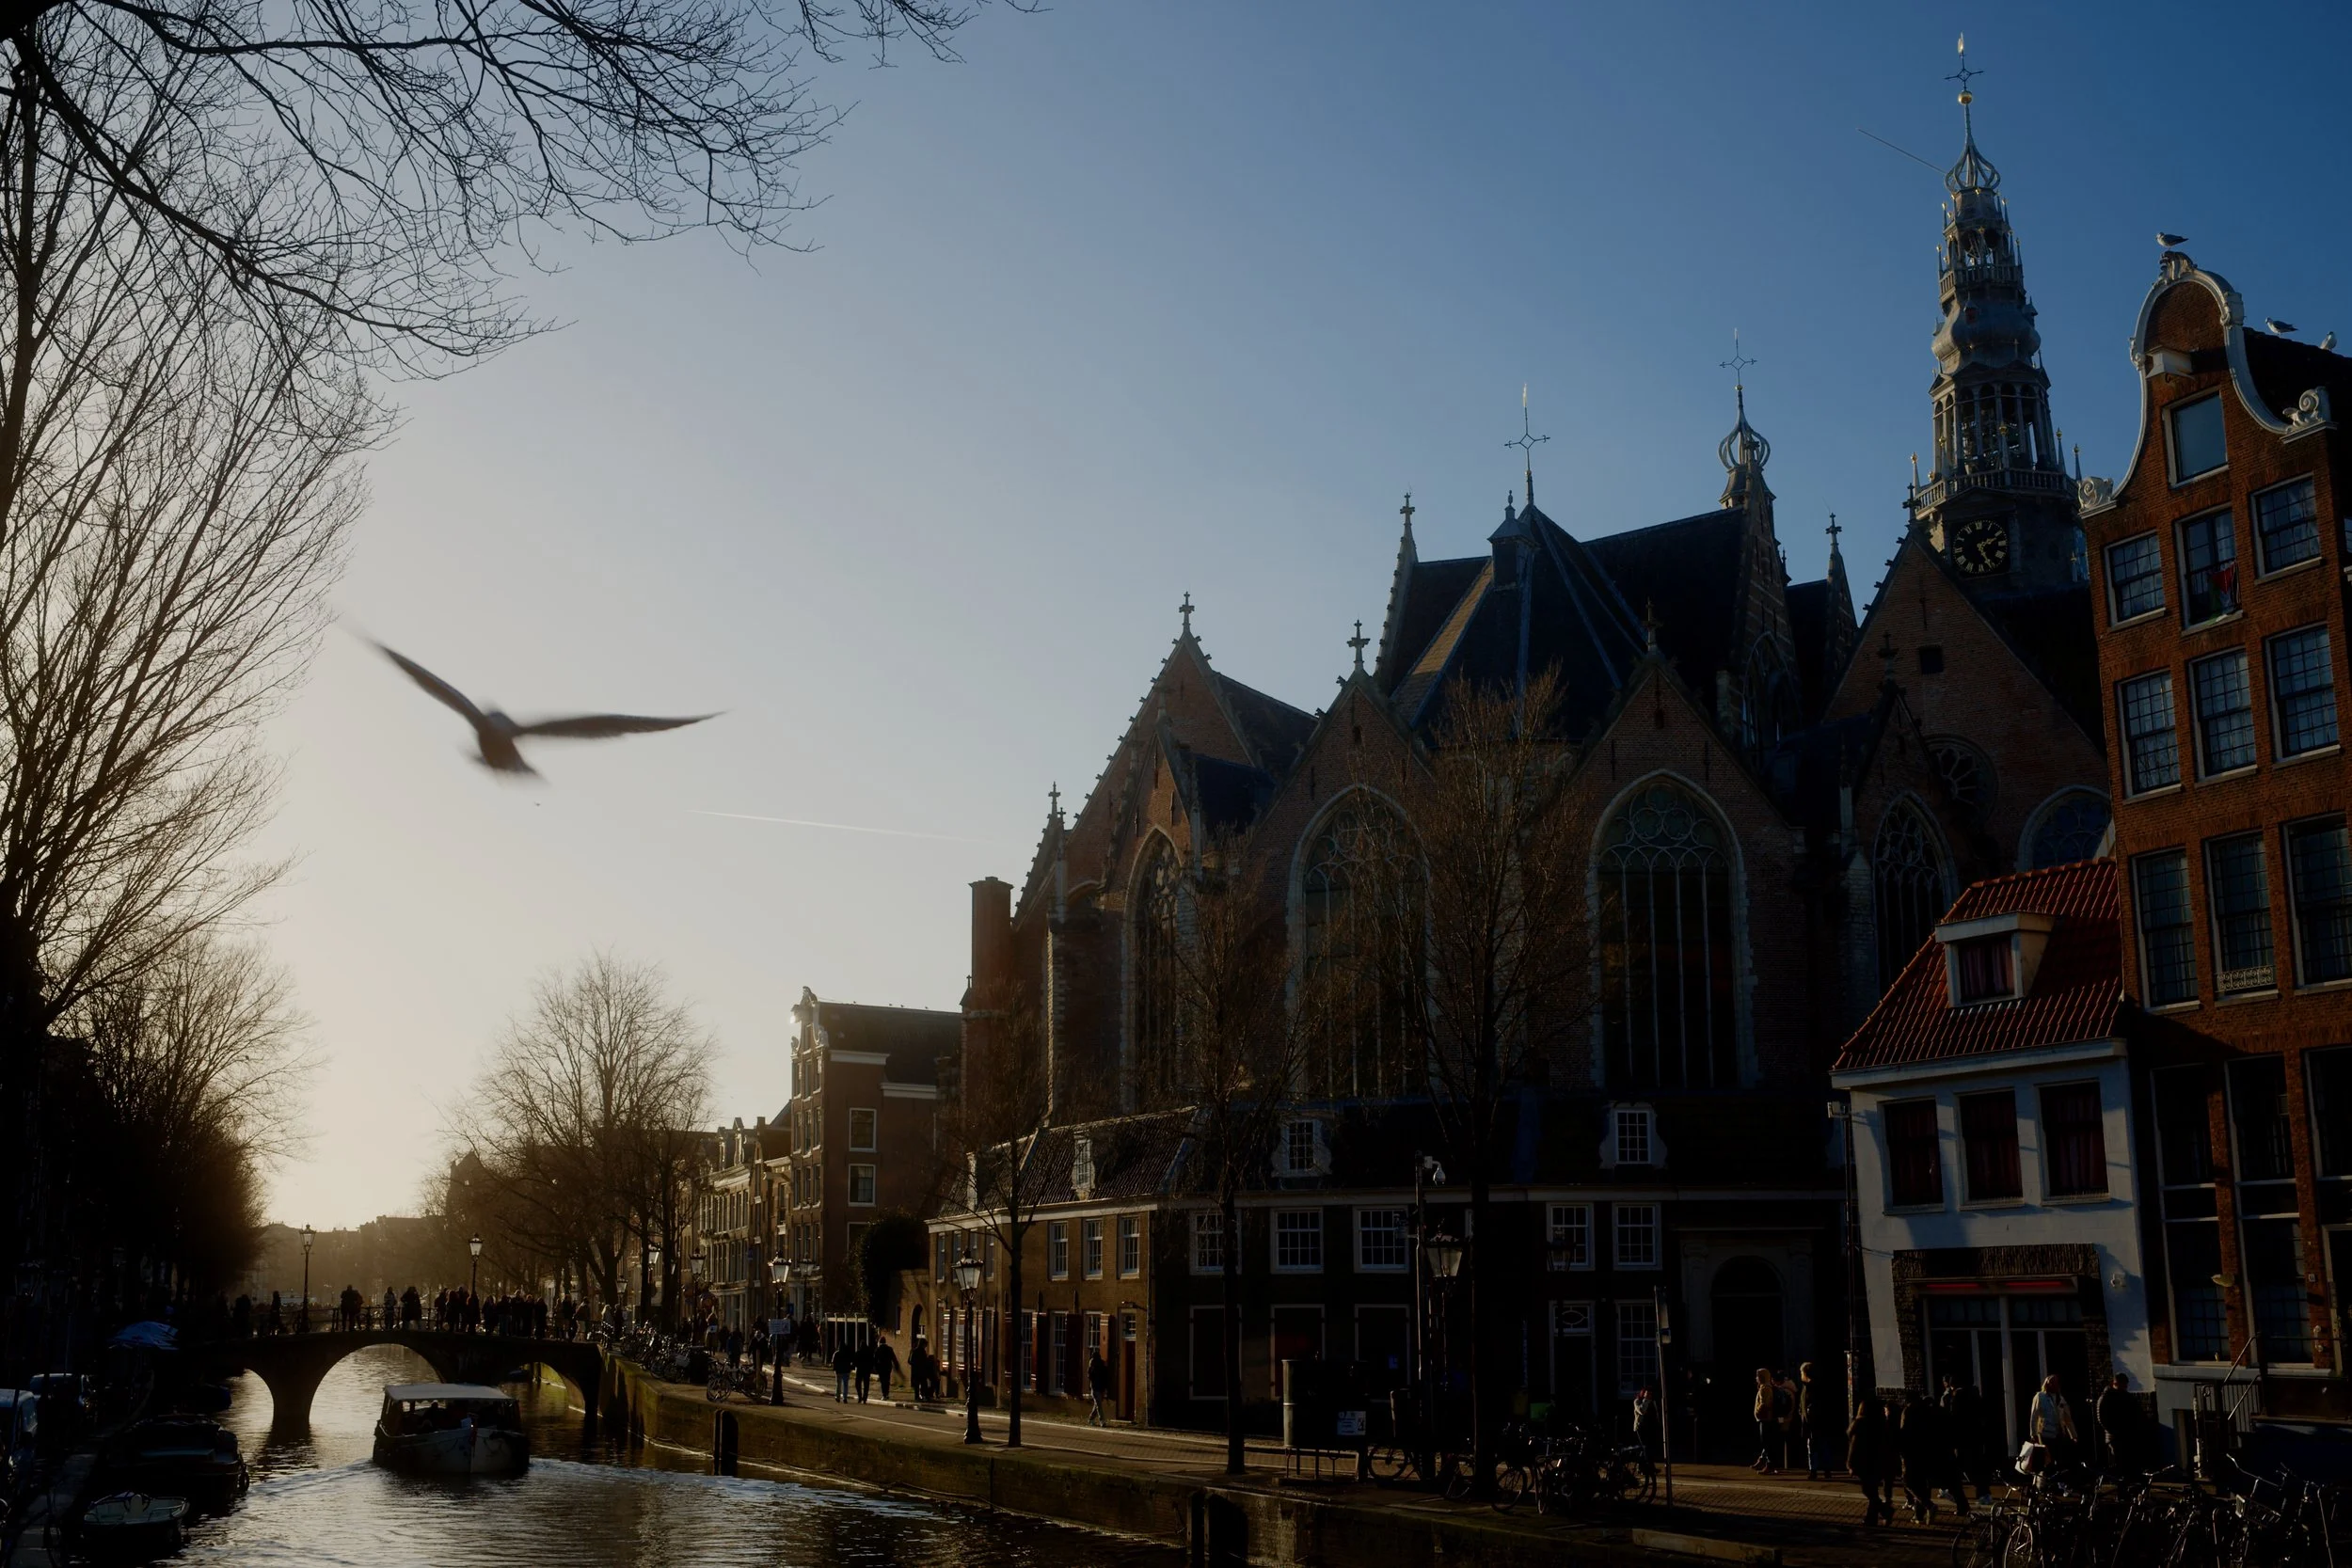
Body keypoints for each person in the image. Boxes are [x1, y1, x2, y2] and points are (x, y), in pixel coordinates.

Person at [1897, 1393, 1946, 1524]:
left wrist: (1901, 1450)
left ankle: (1929, 1505)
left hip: (1911, 1452)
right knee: (1923, 1484)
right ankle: (1919, 1515)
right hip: (1927, 1452)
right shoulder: (1928, 1411)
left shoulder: (1908, 1412)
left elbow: (1904, 1433)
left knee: (1909, 1482)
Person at [1847, 1397, 1894, 1527]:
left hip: (1865, 1463)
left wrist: (1851, 1464)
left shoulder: (1860, 1425)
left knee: (1868, 1490)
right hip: (1878, 1462)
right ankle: (1872, 1518)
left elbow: (1854, 1447)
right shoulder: (1881, 1424)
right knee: (1872, 1490)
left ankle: (1884, 1512)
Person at [2028, 1373, 2078, 1468]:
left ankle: (2057, 1480)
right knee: (2047, 1459)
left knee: (2059, 1459)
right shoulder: (2040, 1396)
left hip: (2058, 1433)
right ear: (2047, 1384)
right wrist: (2033, 1433)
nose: (2054, 1385)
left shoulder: (2061, 1399)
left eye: (2056, 1383)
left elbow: (2068, 1419)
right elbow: (2034, 1416)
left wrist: (2073, 1435)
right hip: (2044, 1433)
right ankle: (2044, 1480)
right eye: (2051, 1383)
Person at [2095, 1373, 2140, 1474]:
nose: (2125, 1387)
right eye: (2123, 1385)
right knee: (2117, 1462)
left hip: (2126, 1435)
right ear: (2115, 1383)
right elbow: (2101, 1418)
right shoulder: (2106, 1398)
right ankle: (2119, 1483)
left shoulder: (2127, 1397)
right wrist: (2114, 1431)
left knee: (2127, 1463)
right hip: (2114, 1436)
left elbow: (2135, 1414)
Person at [1797, 1362, 1830, 1481]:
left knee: (1813, 1446)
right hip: (1816, 1421)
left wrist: (1805, 1413)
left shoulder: (1810, 1387)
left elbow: (1810, 1405)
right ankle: (1825, 1469)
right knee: (1821, 1445)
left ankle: (1814, 1470)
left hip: (1814, 1422)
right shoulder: (1810, 1386)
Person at [1629, 1387, 1661, 1496]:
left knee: (1650, 1447)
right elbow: (1641, 1411)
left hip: (1649, 1428)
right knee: (1644, 1447)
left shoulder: (1652, 1402)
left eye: (1650, 1395)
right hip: (1640, 1428)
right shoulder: (1637, 1401)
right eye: (1647, 1394)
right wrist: (1646, 1400)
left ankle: (1650, 1467)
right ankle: (1640, 1466)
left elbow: (1656, 1415)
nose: (1649, 1396)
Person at [1751, 1368, 1781, 1473]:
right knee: (1767, 1443)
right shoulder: (1765, 1387)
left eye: (1758, 1376)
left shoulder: (1765, 1389)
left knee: (1767, 1443)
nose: (1756, 1378)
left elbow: (1765, 1403)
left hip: (1765, 1419)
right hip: (1765, 1418)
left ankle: (1770, 1465)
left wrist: (1758, 1411)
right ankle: (1767, 1463)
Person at [1086, 1348, 1113, 1426]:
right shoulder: (1099, 1365)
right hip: (1097, 1388)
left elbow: (1090, 1376)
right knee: (1099, 1405)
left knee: (1097, 1404)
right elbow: (1105, 1377)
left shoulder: (1093, 1365)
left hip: (1098, 1388)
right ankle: (1102, 1421)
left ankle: (1091, 1418)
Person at [874, 1336, 900, 1402]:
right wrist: (896, 1365)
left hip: (881, 1367)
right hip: (888, 1366)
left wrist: (875, 1367)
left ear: (880, 1342)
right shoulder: (889, 1349)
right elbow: (893, 1358)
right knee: (887, 1380)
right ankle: (887, 1393)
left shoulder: (878, 1349)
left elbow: (875, 1359)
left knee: (883, 1381)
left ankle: (884, 1394)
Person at [832, 1339, 855, 1403]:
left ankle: (838, 1396)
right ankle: (844, 1397)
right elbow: (851, 1361)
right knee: (845, 1385)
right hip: (846, 1371)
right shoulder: (847, 1353)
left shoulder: (836, 1353)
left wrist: (835, 1369)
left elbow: (833, 1362)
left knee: (838, 1385)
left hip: (838, 1371)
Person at [853, 1339, 873, 1404]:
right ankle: (865, 1398)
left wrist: (857, 1365)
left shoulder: (858, 1352)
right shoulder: (869, 1352)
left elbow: (854, 1362)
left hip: (860, 1370)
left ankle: (860, 1396)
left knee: (857, 1384)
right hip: (867, 1370)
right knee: (866, 1385)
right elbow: (872, 1361)